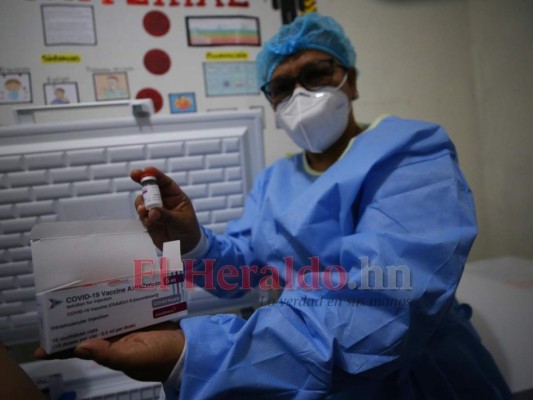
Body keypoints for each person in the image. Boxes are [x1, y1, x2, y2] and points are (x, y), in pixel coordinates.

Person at [37, 13, 511, 399]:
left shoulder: (409, 152)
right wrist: (195, 242)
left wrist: (191, 353)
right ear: (271, 101)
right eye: (283, 87)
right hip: (302, 369)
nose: (300, 95)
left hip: (416, 379)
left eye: (316, 74)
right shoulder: (276, 180)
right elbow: (248, 269)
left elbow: (385, 304)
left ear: (351, 80)